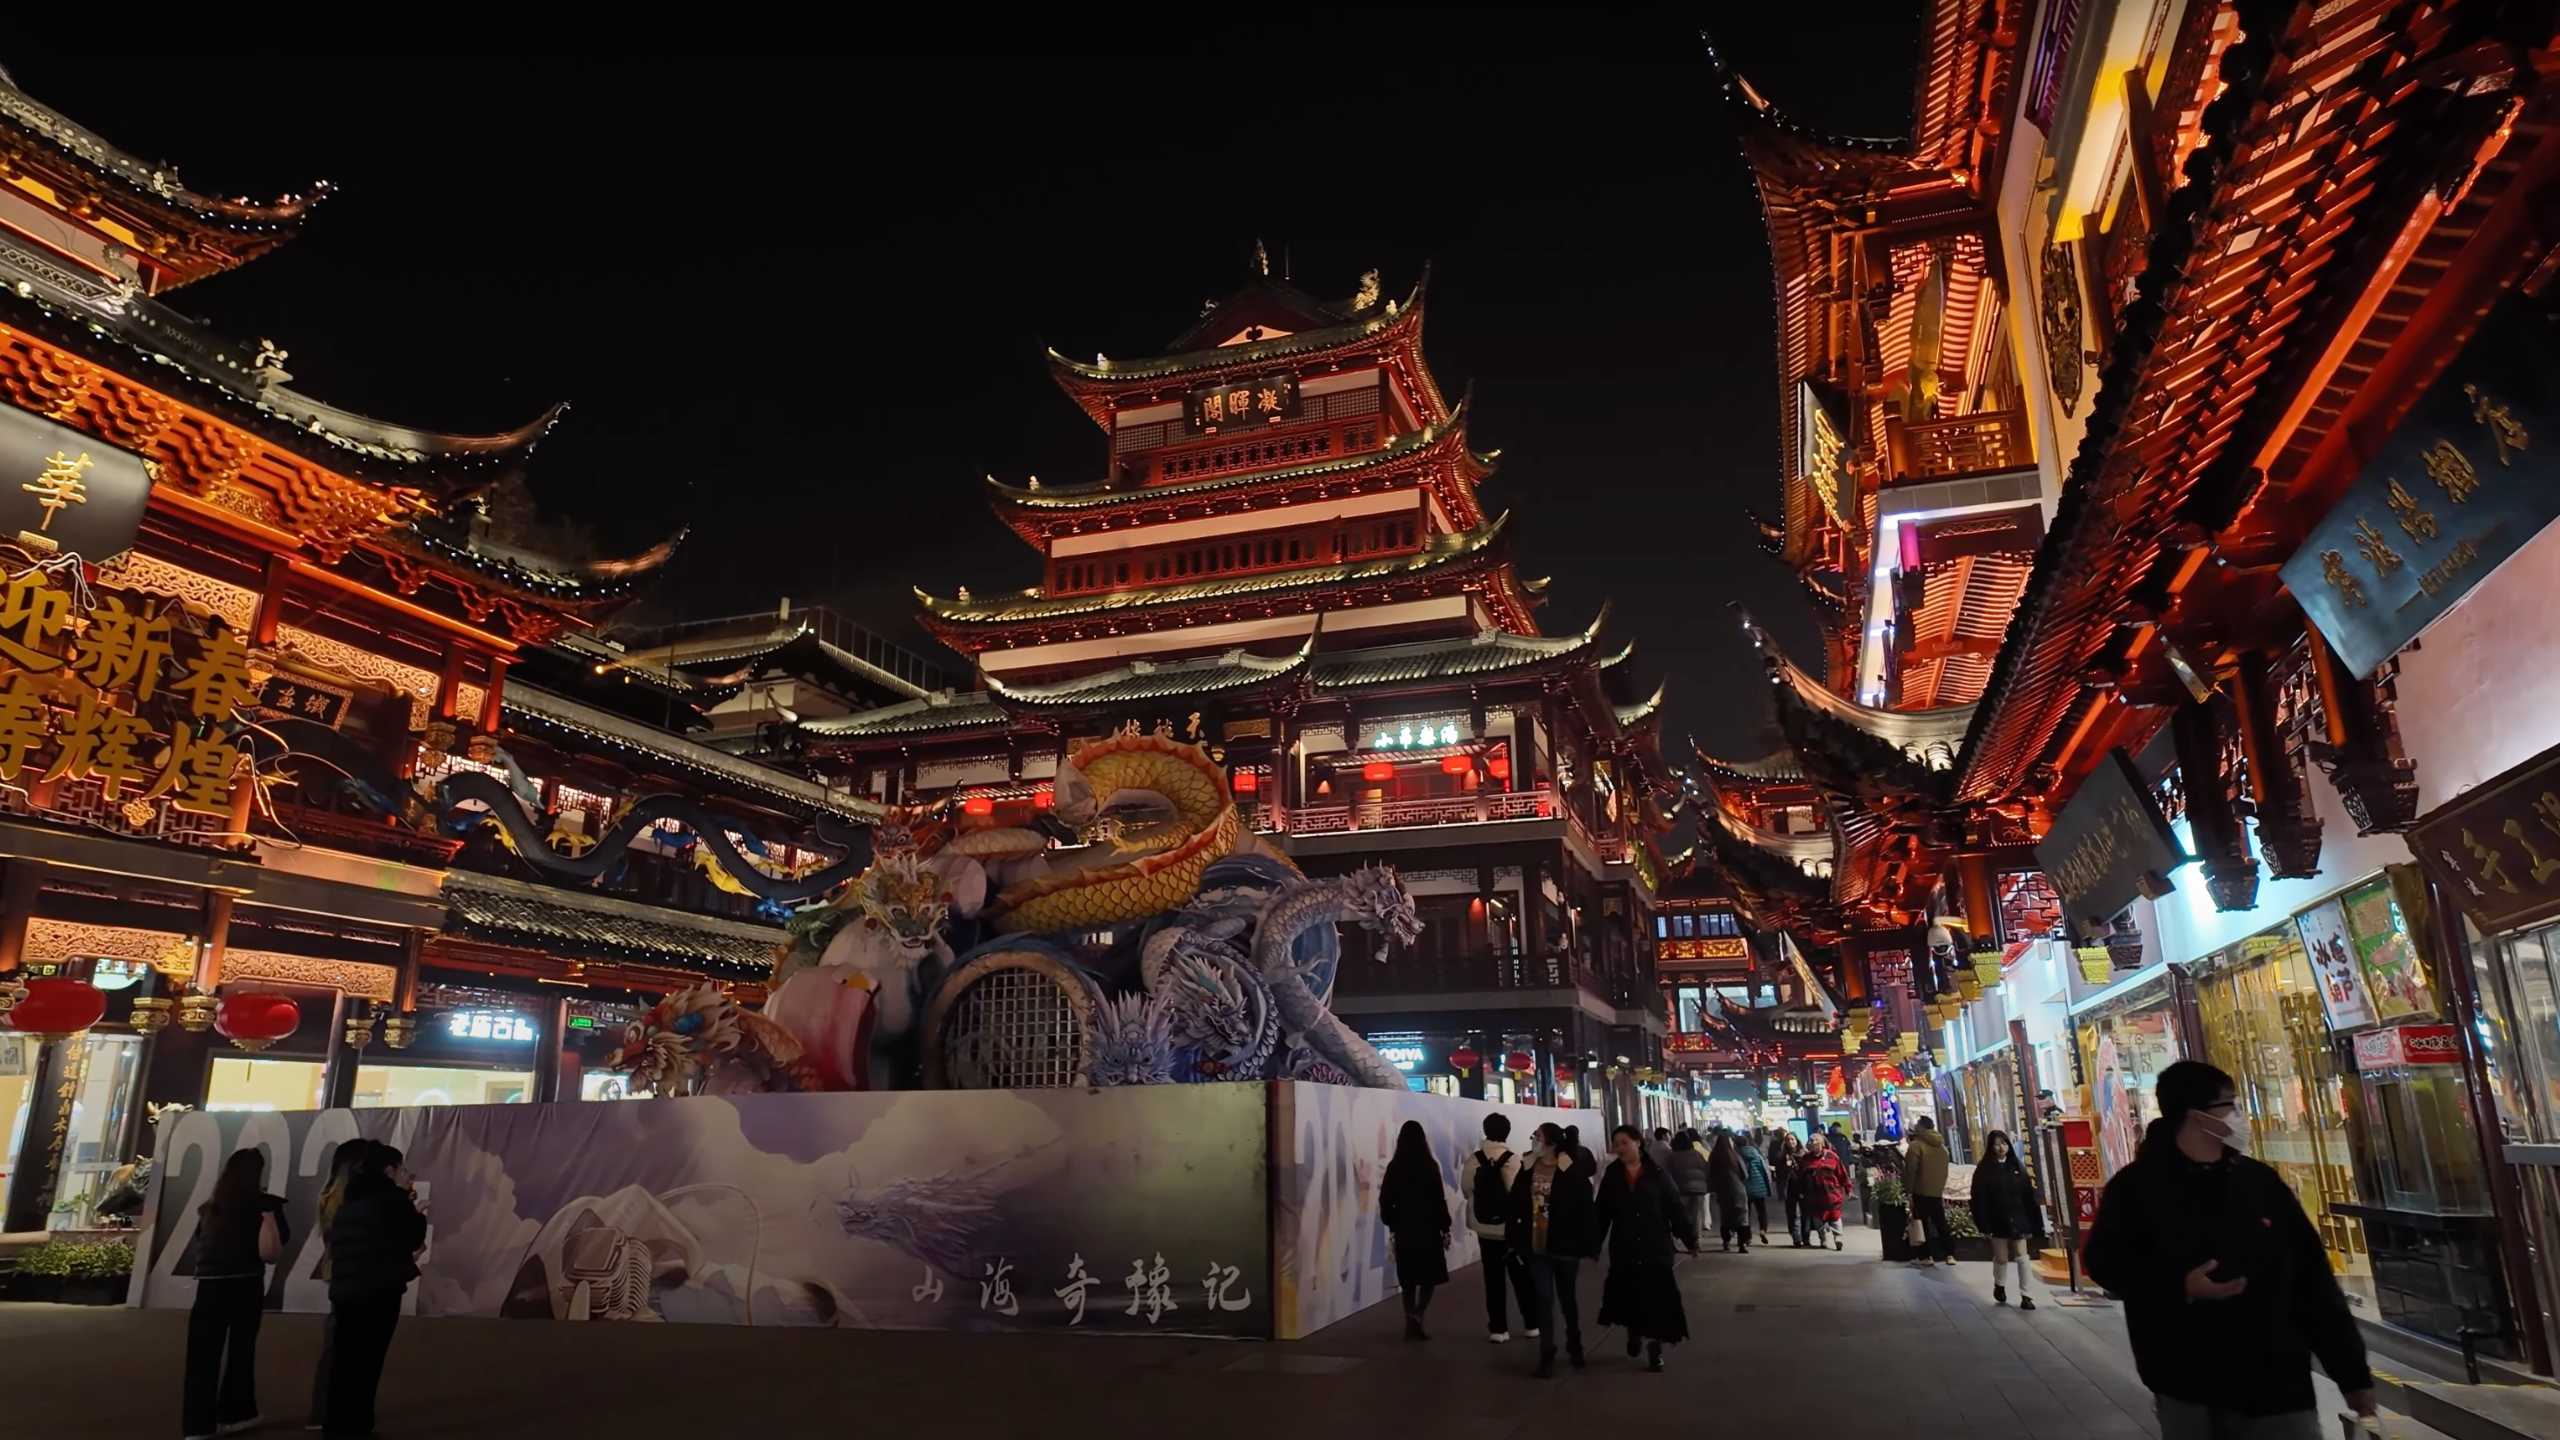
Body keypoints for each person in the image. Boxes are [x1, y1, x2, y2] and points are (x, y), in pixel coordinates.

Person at [2084, 1060, 2376, 1437]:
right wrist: (2178, 1286)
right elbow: (2105, 1264)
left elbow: (2313, 1281)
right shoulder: (2136, 1189)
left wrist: (2352, 1375)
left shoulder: (2259, 1184)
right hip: (2188, 1385)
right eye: (2230, 1105)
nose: (2239, 1116)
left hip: (2277, 1381)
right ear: (2197, 1116)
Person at [323, 1143, 428, 1440]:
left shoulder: (349, 1202)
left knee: (344, 1363)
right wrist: (417, 1214)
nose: (409, 1174)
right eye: (403, 1168)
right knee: (368, 1363)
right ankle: (358, 1426)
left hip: (345, 1292)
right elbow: (411, 1238)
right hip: (378, 1293)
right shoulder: (393, 1201)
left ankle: (336, 1426)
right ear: (389, 1171)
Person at [183, 1148, 287, 1440]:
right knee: (241, 1350)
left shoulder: (210, 1208)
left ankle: (196, 1425)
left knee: (201, 1354)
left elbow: (199, 1242)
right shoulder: (263, 1204)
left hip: (209, 1284)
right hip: (246, 1283)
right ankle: (236, 1412)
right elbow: (275, 1249)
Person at [1593, 1124, 1694, 1372]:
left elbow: (1674, 1209)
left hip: (1655, 1246)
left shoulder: (1657, 1174)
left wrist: (1689, 1239)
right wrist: (1592, 1243)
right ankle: (1634, 1332)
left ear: (1638, 1142)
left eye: (1624, 1143)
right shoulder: (1613, 1175)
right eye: (1616, 1144)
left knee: (1657, 1299)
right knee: (1631, 1295)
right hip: (1625, 1247)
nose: (1619, 1149)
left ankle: (1655, 1348)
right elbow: (1601, 1212)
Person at [1508, 1122, 1598, 1377]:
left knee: (1567, 1299)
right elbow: (1516, 1202)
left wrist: (1589, 1243)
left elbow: (1584, 1202)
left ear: (1550, 1141)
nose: (1533, 1140)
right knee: (1544, 1299)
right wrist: (1515, 1239)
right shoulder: (1527, 1166)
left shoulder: (1568, 1167)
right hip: (1536, 1245)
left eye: (1537, 1136)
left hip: (1565, 1245)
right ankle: (1547, 1353)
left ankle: (1574, 1345)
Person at [305, 1139, 373, 1434]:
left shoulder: (329, 1194)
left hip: (338, 1272)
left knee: (338, 1343)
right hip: (352, 1273)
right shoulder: (347, 1198)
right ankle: (326, 1412)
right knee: (342, 1346)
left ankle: (323, 1411)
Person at [1457, 1112, 1527, 1343]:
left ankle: (1498, 1329)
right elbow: (1517, 1194)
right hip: (1509, 1229)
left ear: (1486, 1131)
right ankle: (1531, 1323)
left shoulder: (1474, 1159)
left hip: (1484, 1227)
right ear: (1506, 1133)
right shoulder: (1513, 1159)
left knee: (1492, 1278)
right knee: (1520, 1276)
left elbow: (1467, 1189)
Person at [1378, 1120, 1450, 1340]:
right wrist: (1444, 1226)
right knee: (1428, 1277)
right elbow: (1439, 1199)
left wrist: (1392, 1222)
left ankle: (1411, 1318)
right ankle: (1418, 1314)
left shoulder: (1395, 1166)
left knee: (1408, 1279)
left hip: (1404, 1229)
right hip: (1428, 1229)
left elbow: (1385, 1199)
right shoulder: (1430, 1165)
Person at [1972, 1128, 2045, 1311]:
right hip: (1997, 1219)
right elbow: (1978, 1198)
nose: (2001, 1147)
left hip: (2019, 1217)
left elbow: (2028, 1195)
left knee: (2022, 1256)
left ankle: (2026, 1295)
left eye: (2004, 1143)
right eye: (1996, 1144)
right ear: (1991, 1147)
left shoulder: (2017, 1167)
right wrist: (1983, 1223)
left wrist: (2035, 1221)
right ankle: (2000, 1284)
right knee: (2002, 1258)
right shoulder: (1984, 1170)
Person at [1904, 1115, 1953, 1267]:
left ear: (1922, 1127)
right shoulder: (1942, 1146)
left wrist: (1909, 1190)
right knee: (1940, 1223)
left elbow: (1911, 1170)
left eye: (1917, 1124)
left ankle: (1926, 1256)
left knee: (1922, 1223)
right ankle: (1950, 1254)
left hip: (1920, 1190)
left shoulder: (1916, 1146)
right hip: (1937, 1190)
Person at [1796, 1131, 1849, 1250]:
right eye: (1810, 1141)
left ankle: (1838, 1238)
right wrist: (1801, 1191)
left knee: (1835, 1216)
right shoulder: (1806, 1159)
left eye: (1814, 1141)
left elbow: (1842, 1174)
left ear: (1821, 1143)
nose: (1811, 1143)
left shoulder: (1832, 1156)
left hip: (1831, 1193)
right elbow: (1801, 1177)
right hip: (1814, 1194)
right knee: (1818, 1218)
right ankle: (1823, 1238)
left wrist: (1848, 1188)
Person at [1665, 1129, 1712, 1250]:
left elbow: (1669, 1173)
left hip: (1681, 1189)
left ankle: (1684, 1241)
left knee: (1682, 1216)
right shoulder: (1697, 1154)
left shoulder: (1672, 1156)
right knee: (1697, 1216)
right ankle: (1696, 1241)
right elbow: (1706, 1168)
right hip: (1699, 1189)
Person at [1705, 1132, 1751, 1252]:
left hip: (1722, 1192)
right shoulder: (1735, 1156)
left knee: (1726, 1217)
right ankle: (1742, 1244)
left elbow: (1709, 1175)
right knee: (1742, 1217)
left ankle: (1726, 1241)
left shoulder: (1713, 1156)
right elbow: (1745, 1174)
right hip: (1738, 1191)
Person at [1767, 1133, 1804, 1246]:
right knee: (1793, 1213)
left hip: (1803, 1187)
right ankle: (1796, 1237)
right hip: (1789, 1189)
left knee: (1805, 1213)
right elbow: (1779, 1175)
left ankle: (1805, 1236)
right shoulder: (1781, 1156)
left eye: (1792, 1139)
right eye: (1788, 1140)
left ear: (1797, 1140)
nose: (1791, 1141)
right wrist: (1785, 1166)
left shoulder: (1804, 1154)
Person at [1738, 1129, 1773, 1244]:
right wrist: (1768, 1187)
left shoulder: (1737, 1156)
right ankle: (1763, 1230)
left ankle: (1747, 1236)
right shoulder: (1756, 1155)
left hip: (1744, 1188)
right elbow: (1764, 1171)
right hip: (1759, 1187)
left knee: (1746, 1213)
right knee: (1761, 1211)